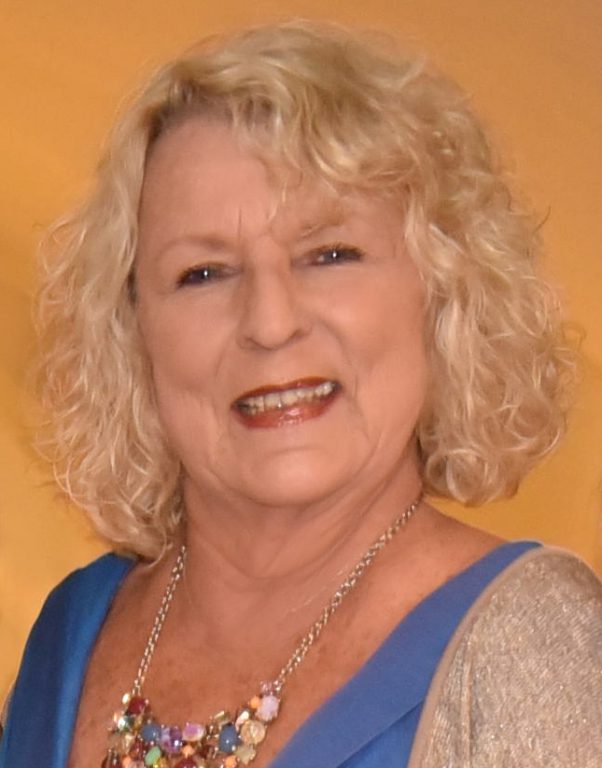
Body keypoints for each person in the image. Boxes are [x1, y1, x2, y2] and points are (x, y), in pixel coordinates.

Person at [1, 20, 600, 768]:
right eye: (204, 273)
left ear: (442, 291)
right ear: (133, 328)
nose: (270, 322)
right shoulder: (69, 635)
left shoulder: (527, 644)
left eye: (330, 254)